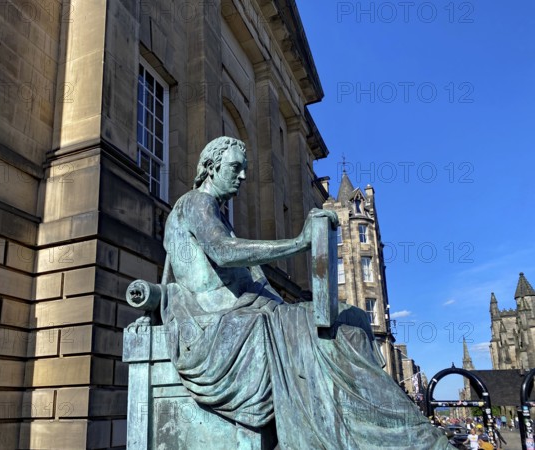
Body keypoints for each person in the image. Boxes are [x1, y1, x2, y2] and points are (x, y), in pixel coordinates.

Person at [161, 137, 449, 449]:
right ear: (212, 167)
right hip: (216, 324)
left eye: (243, 169)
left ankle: (390, 431)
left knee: (348, 318)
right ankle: (406, 437)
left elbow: (248, 276)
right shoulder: (195, 202)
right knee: (340, 330)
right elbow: (223, 252)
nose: (242, 176)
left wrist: (289, 302)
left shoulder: (218, 217)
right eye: (235, 168)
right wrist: (299, 242)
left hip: (245, 314)